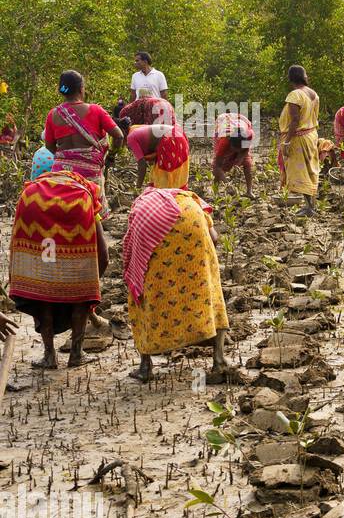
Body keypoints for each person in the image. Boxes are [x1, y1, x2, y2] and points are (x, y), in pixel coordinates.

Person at [122, 186, 231, 382]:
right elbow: (214, 238)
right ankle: (219, 359)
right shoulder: (192, 199)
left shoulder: (141, 204)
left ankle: (145, 366)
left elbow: (134, 250)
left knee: (146, 291)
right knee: (211, 289)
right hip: (192, 223)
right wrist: (201, 264)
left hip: (152, 229)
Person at [8, 168, 109, 368]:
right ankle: (76, 354)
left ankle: (49, 355)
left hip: (34, 206)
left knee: (43, 287)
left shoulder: (32, 189)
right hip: (76, 208)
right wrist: (91, 285)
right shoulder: (86, 191)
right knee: (81, 292)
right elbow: (103, 252)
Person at [44, 70, 125, 209]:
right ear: (81, 89)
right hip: (89, 173)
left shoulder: (53, 114)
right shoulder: (96, 110)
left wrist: (66, 157)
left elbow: (49, 145)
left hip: (60, 171)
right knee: (94, 213)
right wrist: (110, 156)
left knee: (60, 210)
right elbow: (119, 136)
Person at [278, 65, 321, 216]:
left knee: (301, 172)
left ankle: (309, 207)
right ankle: (311, 205)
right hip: (310, 134)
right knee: (310, 170)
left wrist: (287, 141)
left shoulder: (295, 95)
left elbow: (295, 120)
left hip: (299, 138)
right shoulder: (313, 93)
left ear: (291, 78)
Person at [121, 120, 189, 190]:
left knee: (164, 183)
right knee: (173, 176)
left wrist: (138, 187)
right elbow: (153, 145)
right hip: (178, 135)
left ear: (122, 131)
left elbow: (142, 164)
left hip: (170, 141)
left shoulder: (130, 138)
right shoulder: (134, 128)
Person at [213, 111, 257, 197]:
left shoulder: (249, 135)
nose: (237, 152)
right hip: (223, 121)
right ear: (230, 144)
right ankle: (215, 193)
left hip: (241, 121)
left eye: (240, 149)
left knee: (247, 163)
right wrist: (228, 184)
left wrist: (239, 161)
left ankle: (249, 192)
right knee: (221, 165)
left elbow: (245, 150)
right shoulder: (224, 141)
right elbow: (216, 167)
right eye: (235, 149)